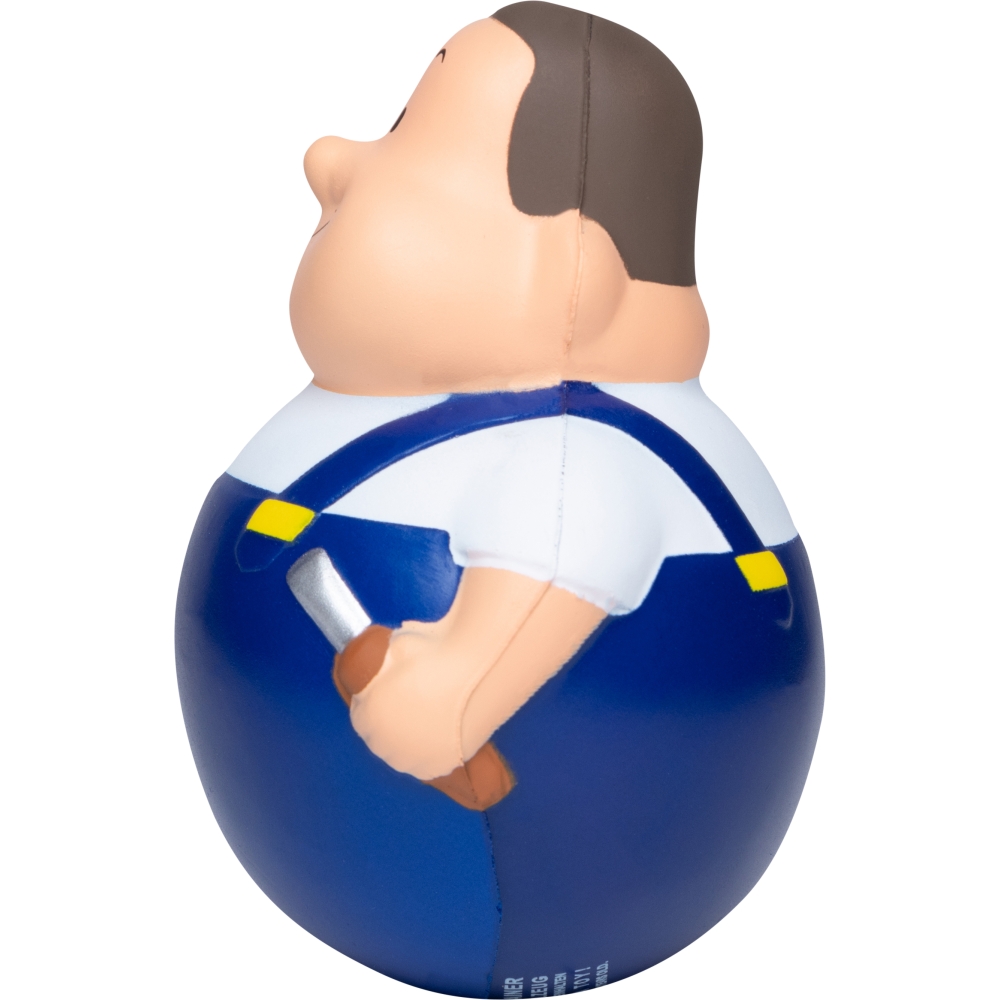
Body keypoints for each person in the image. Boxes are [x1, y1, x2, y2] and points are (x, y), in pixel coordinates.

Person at [177, 4, 823, 993]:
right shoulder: (409, 407)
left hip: (529, 875)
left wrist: (443, 693)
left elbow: (565, 552)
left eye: (409, 134)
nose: (328, 160)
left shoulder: (570, 453)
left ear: (569, 271)